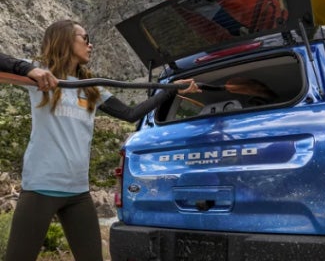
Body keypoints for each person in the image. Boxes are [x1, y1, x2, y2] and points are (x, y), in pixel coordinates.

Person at [1, 20, 197, 261]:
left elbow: (130, 114)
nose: (91, 45)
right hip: (41, 188)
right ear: (65, 40)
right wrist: (28, 69)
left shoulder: (92, 88)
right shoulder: (40, 77)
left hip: (78, 192)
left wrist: (171, 89)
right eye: (85, 38)